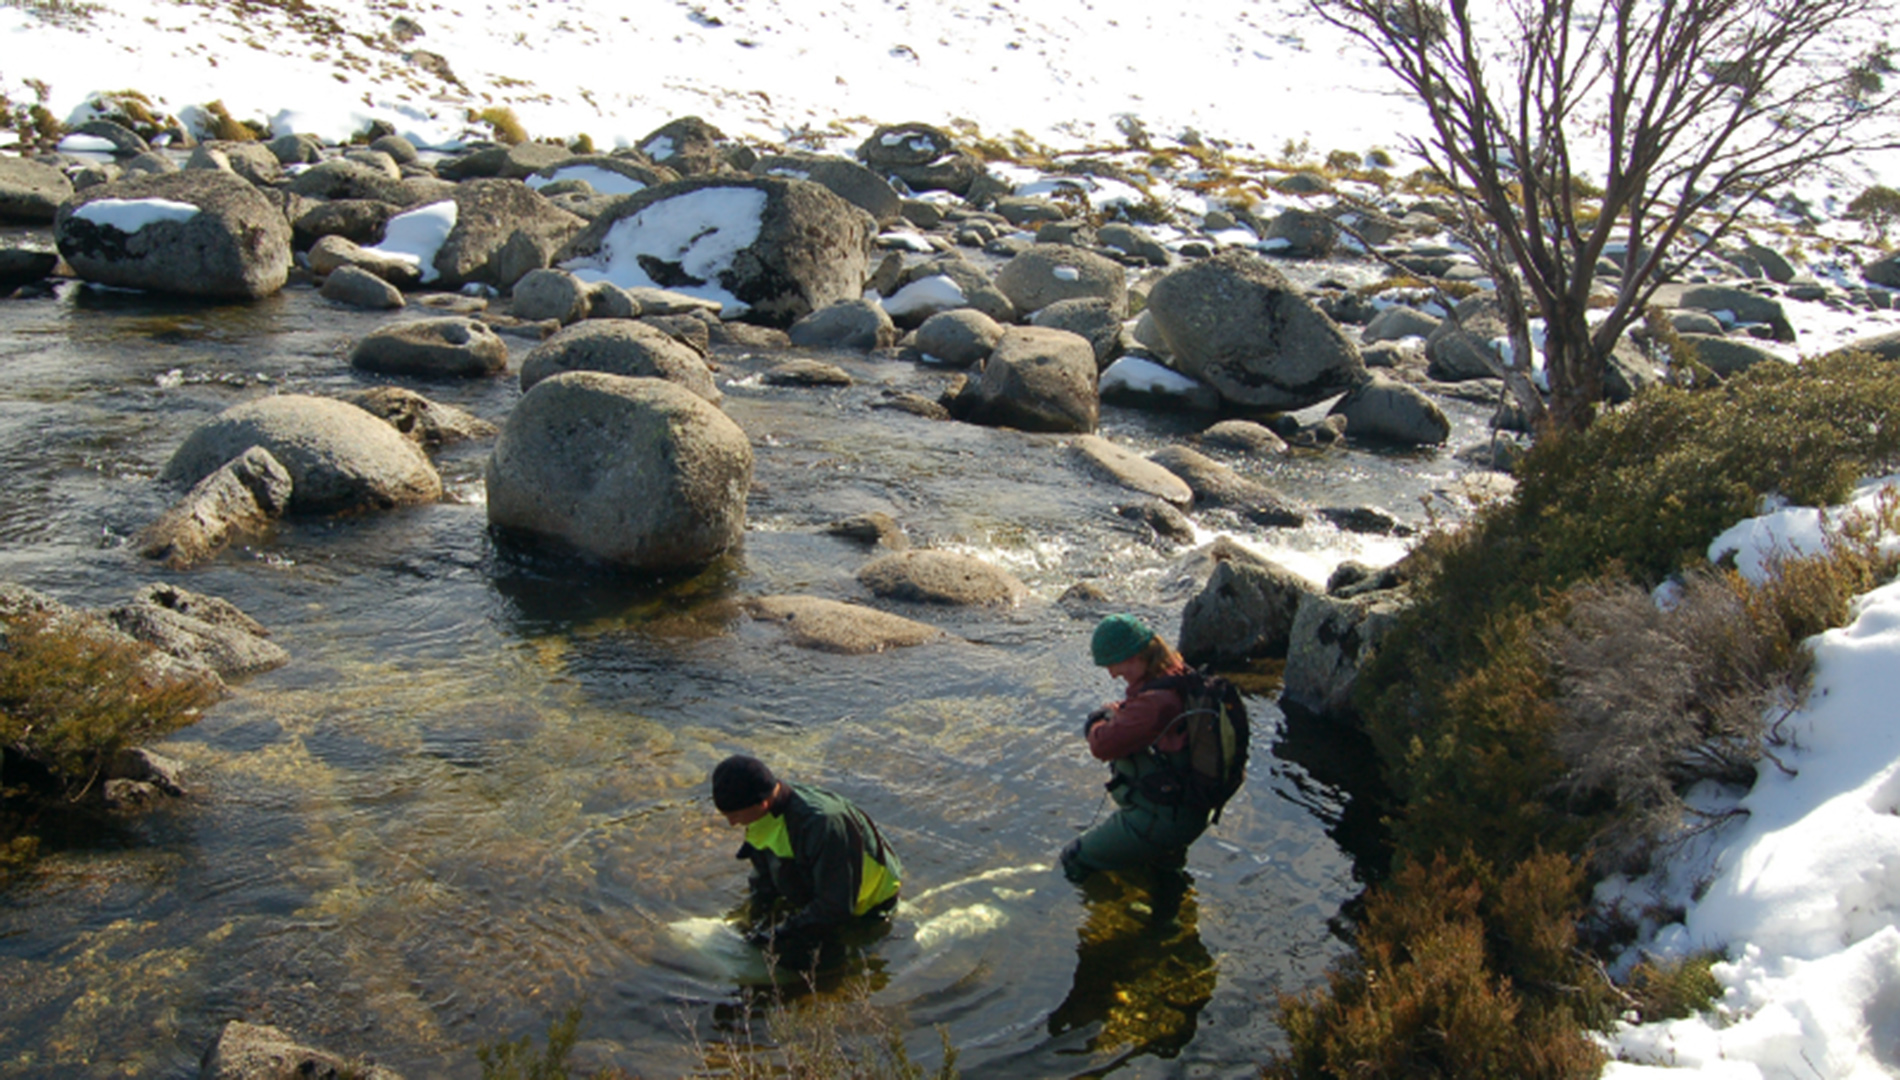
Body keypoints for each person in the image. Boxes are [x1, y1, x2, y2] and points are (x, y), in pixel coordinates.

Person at [1059, 613, 1212, 884]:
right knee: (1163, 875)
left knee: (1074, 859)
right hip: (1189, 809)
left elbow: (1102, 745)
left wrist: (1096, 720)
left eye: (1114, 664)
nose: (1112, 673)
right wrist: (1118, 711)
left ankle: (1103, 921)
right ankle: (1168, 923)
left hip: (1159, 819)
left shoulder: (1155, 703)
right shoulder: (1178, 673)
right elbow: (1141, 714)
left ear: (1136, 656)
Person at [710, 754, 903, 960]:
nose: (732, 824)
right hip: (821, 874)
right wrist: (755, 915)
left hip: (868, 904)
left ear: (763, 804)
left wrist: (778, 934)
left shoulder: (822, 823)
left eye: (735, 816)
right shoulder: (763, 810)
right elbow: (763, 874)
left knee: (797, 959)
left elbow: (835, 905)